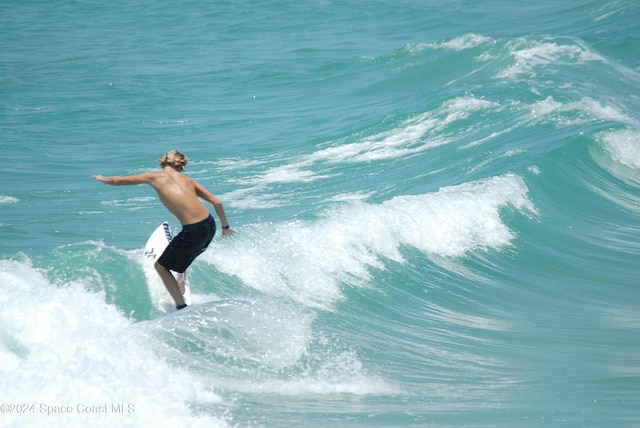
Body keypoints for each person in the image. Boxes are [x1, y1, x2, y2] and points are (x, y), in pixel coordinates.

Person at [94, 150, 235, 310]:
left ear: (162, 162)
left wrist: (103, 179)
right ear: (181, 165)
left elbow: (118, 180)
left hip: (193, 230)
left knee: (160, 266)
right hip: (209, 225)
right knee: (183, 258)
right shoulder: (188, 181)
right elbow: (216, 202)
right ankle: (180, 279)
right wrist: (225, 227)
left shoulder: (154, 177)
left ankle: (181, 306)